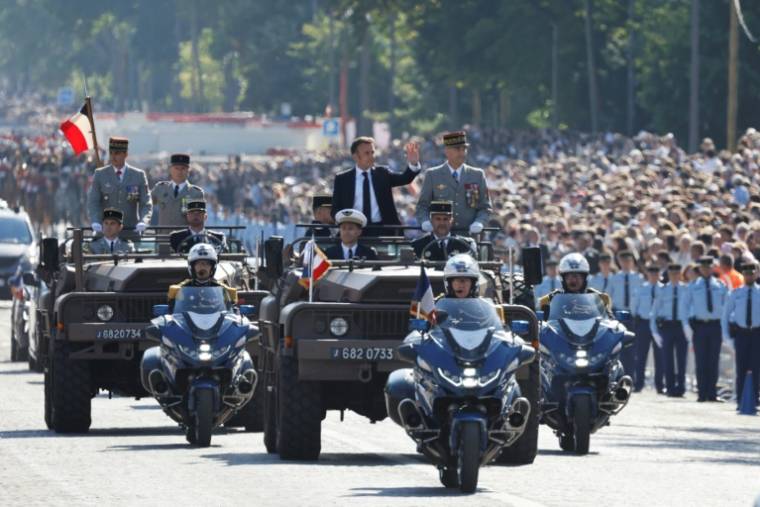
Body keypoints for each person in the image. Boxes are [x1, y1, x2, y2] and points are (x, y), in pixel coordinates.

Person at [331, 137, 421, 236]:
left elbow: (405, 178)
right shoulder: (343, 179)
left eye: (372, 152)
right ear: (355, 156)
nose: (372, 156)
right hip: (354, 231)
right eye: (367, 153)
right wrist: (345, 221)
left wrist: (413, 163)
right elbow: (335, 208)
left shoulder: (383, 173)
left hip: (383, 230)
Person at [416, 131, 492, 234]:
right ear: (447, 151)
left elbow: (485, 207)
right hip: (440, 237)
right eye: (457, 149)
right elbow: (422, 206)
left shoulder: (477, 175)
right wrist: (425, 221)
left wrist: (479, 222)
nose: (462, 153)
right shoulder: (433, 175)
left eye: (464, 149)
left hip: (468, 236)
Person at [683, 256, 728, 402]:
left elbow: (726, 308)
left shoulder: (720, 285)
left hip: (715, 326)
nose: (706, 269)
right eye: (703, 267)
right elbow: (684, 307)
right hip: (700, 326)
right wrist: (687, 326)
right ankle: (702, 393)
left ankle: (712, 393)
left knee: (714, 360)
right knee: (701, 360)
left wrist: (726, 328)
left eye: (709, 267)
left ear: (713, 267)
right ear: (700, 268)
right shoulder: (693, 285)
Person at [87, 136, 152, 235]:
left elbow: (146, 203)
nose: (113, 157)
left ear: (125, 154)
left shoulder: (138, 175)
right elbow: (93, 202)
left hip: (130, 231)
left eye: (117, 153)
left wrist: (144, 221)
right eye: (111, 153)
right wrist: (95, 220)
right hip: (105, 233)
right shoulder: (100, 174)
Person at [721, 261, 760, 410]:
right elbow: (725, 316)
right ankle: (740, 400)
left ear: (756, 274)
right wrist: (727, 338)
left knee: (756, 367)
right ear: (743, 275)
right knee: (741, 367)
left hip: (756, 333)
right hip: (742, 334)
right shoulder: (735, 293)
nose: (749, 276)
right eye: (746, 273)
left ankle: (755, 400)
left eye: (752, 273)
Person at [650, 263, 689, 398]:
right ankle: (670, 387)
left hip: (681, 326)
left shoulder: (686, 289)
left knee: (681, 358)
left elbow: (690, 308)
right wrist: (654, 331)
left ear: (680, 274)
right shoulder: (662, 290)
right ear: (668, 274)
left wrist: (689, 327)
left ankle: (681, 387)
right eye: (672, 274)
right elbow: (654, 312)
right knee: (667, 358)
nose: (674, 276)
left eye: (677, 273)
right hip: (667, 326)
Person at [167, 243, 237, 312]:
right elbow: (174, 312)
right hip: (187, 322)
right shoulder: (180, 289)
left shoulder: (224, 289)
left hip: (216, 322)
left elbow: (231, 312)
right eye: (199, 263)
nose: (203, 267)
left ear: (212, 268)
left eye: (207, 264)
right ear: (192, 267)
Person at [537, 252, 612, 313]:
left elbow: (608, 322)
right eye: (569, 277)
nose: (574, 280)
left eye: (578, 276)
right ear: (563, 279)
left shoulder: (601, 298)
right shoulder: (547, 300)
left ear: (585, 278)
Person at [608, 250, 642, 380]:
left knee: (632, 347)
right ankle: (618, 376)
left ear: (632, 262)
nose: (626, 264)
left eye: (629, 261)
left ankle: (631, 376)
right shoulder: (614, 278)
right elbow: (608, 297)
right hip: (618, 314)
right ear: (620, 262)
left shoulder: (638, 278)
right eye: (624, 261)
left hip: (632, 315)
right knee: (618, 347)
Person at [631, 264, 665, 393]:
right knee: (641, 355)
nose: (654, 276)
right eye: (651, 273)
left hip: (659, 324)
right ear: (647, 274)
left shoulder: (663, 289)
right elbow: (634, 306)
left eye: (656, 274)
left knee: (660, 356)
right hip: (644, 323)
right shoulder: (641, 289)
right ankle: (639, 383)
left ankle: (660, 385)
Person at [150, 153, 204, 227]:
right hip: (163, 236)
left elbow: (198, 219)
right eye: (176, 168)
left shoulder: (195, 193)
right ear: (170, 169)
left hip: (184, 237)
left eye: (183, 168)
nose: (179, 171)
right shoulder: (160, 188)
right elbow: (145, 203)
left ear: (188, 170)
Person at [411, 201, 476, 261]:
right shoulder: (418, 246)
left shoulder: (464, 245)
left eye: (445, 219)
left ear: (451, 221)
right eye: (438, 219)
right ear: (431, 221)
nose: (442, 223)